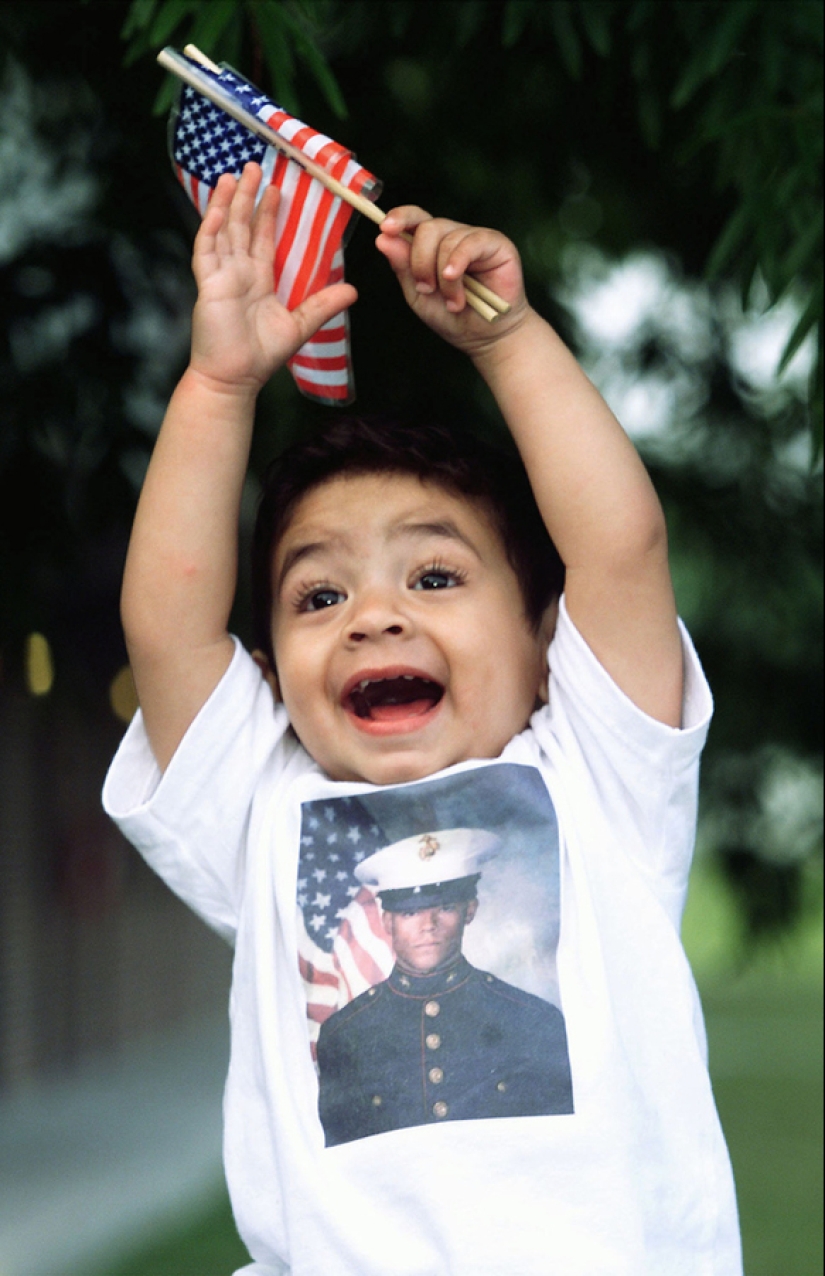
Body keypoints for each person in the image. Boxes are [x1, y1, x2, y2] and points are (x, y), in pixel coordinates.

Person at [103, 162, 742, 1275]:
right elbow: (166, 626)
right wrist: (216, 390)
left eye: (435, 578)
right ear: (270, 665)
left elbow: (622, 546)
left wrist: (509, 341)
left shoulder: (601, 774)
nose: (373, 617)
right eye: (319, 594)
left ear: (551, 642)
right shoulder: (264, 807)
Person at [316, 827, 574, 1146]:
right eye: (410, 912)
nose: (429, 926)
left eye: (445, 908)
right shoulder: (344, 1035)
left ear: (470, 910)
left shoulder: (533, 1021)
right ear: (387, 922)